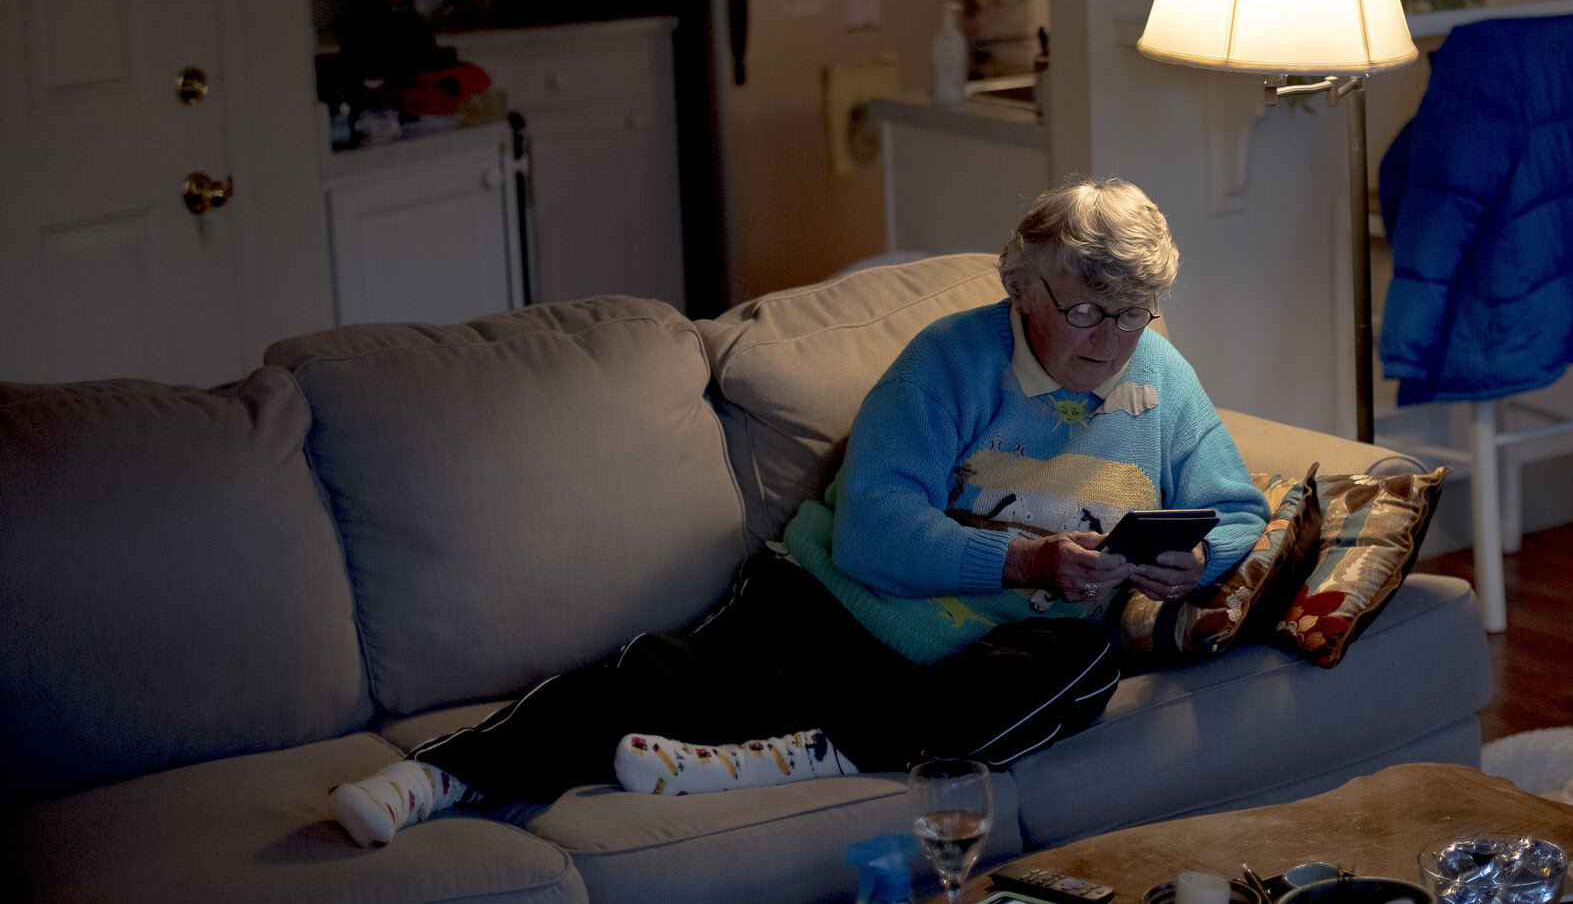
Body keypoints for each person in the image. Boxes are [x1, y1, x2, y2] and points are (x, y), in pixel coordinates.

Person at [326, 178, 1268, 848]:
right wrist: (1027, 564)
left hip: (989, 657)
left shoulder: (1162, 378)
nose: (1111, 341)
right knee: (657, 680)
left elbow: (1235, 510)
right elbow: (871, 529)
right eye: (1086, 311)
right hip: (839, 606)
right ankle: (441, 774)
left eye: (1135, 313)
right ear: (1024, 285)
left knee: (1081, 667)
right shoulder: (949, 360)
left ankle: (807, 756)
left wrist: (1190, 565)